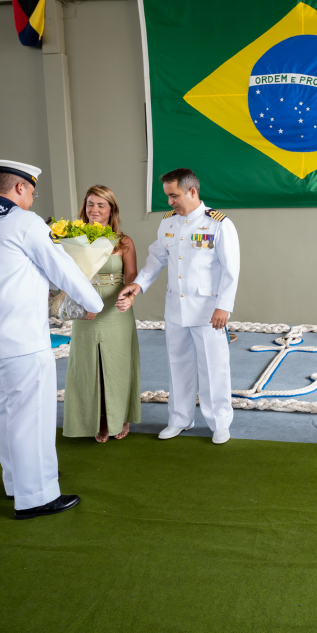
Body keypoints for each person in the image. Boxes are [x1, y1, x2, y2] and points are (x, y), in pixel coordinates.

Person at [0, 160, 104, 520]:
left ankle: (16, 484)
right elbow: (61, 267)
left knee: (5, 412)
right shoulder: (22, 222)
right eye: (32, 192)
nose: (33, 201)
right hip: (21, 337)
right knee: (31, 417)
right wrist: (93, 303)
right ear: (19, 188)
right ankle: (36, 496)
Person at [116, 168, 239, 444]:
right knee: (178, 365)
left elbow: (232, 269)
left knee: (213, 366)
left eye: (174, 196)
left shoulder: (218, 224)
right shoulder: (169, 224)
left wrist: (224, 307)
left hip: (208, 311)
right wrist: (139, 284)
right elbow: (157, 258)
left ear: (192, 192)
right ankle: (180, 419)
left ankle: (220, 422)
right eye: (168, 196)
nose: (170, 202)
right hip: (175, 308)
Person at [62, 185, 141, 443]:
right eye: (90, 204)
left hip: (115, 310)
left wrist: (129, 298)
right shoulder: (73, 238)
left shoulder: (124, 241)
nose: (94, 210)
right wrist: (82, 303)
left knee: (117, 365)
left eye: (100, 205)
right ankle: (96, 419)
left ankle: (119, 417)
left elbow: (131, 278)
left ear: (111, 210)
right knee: (87, 365)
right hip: (87, 309)